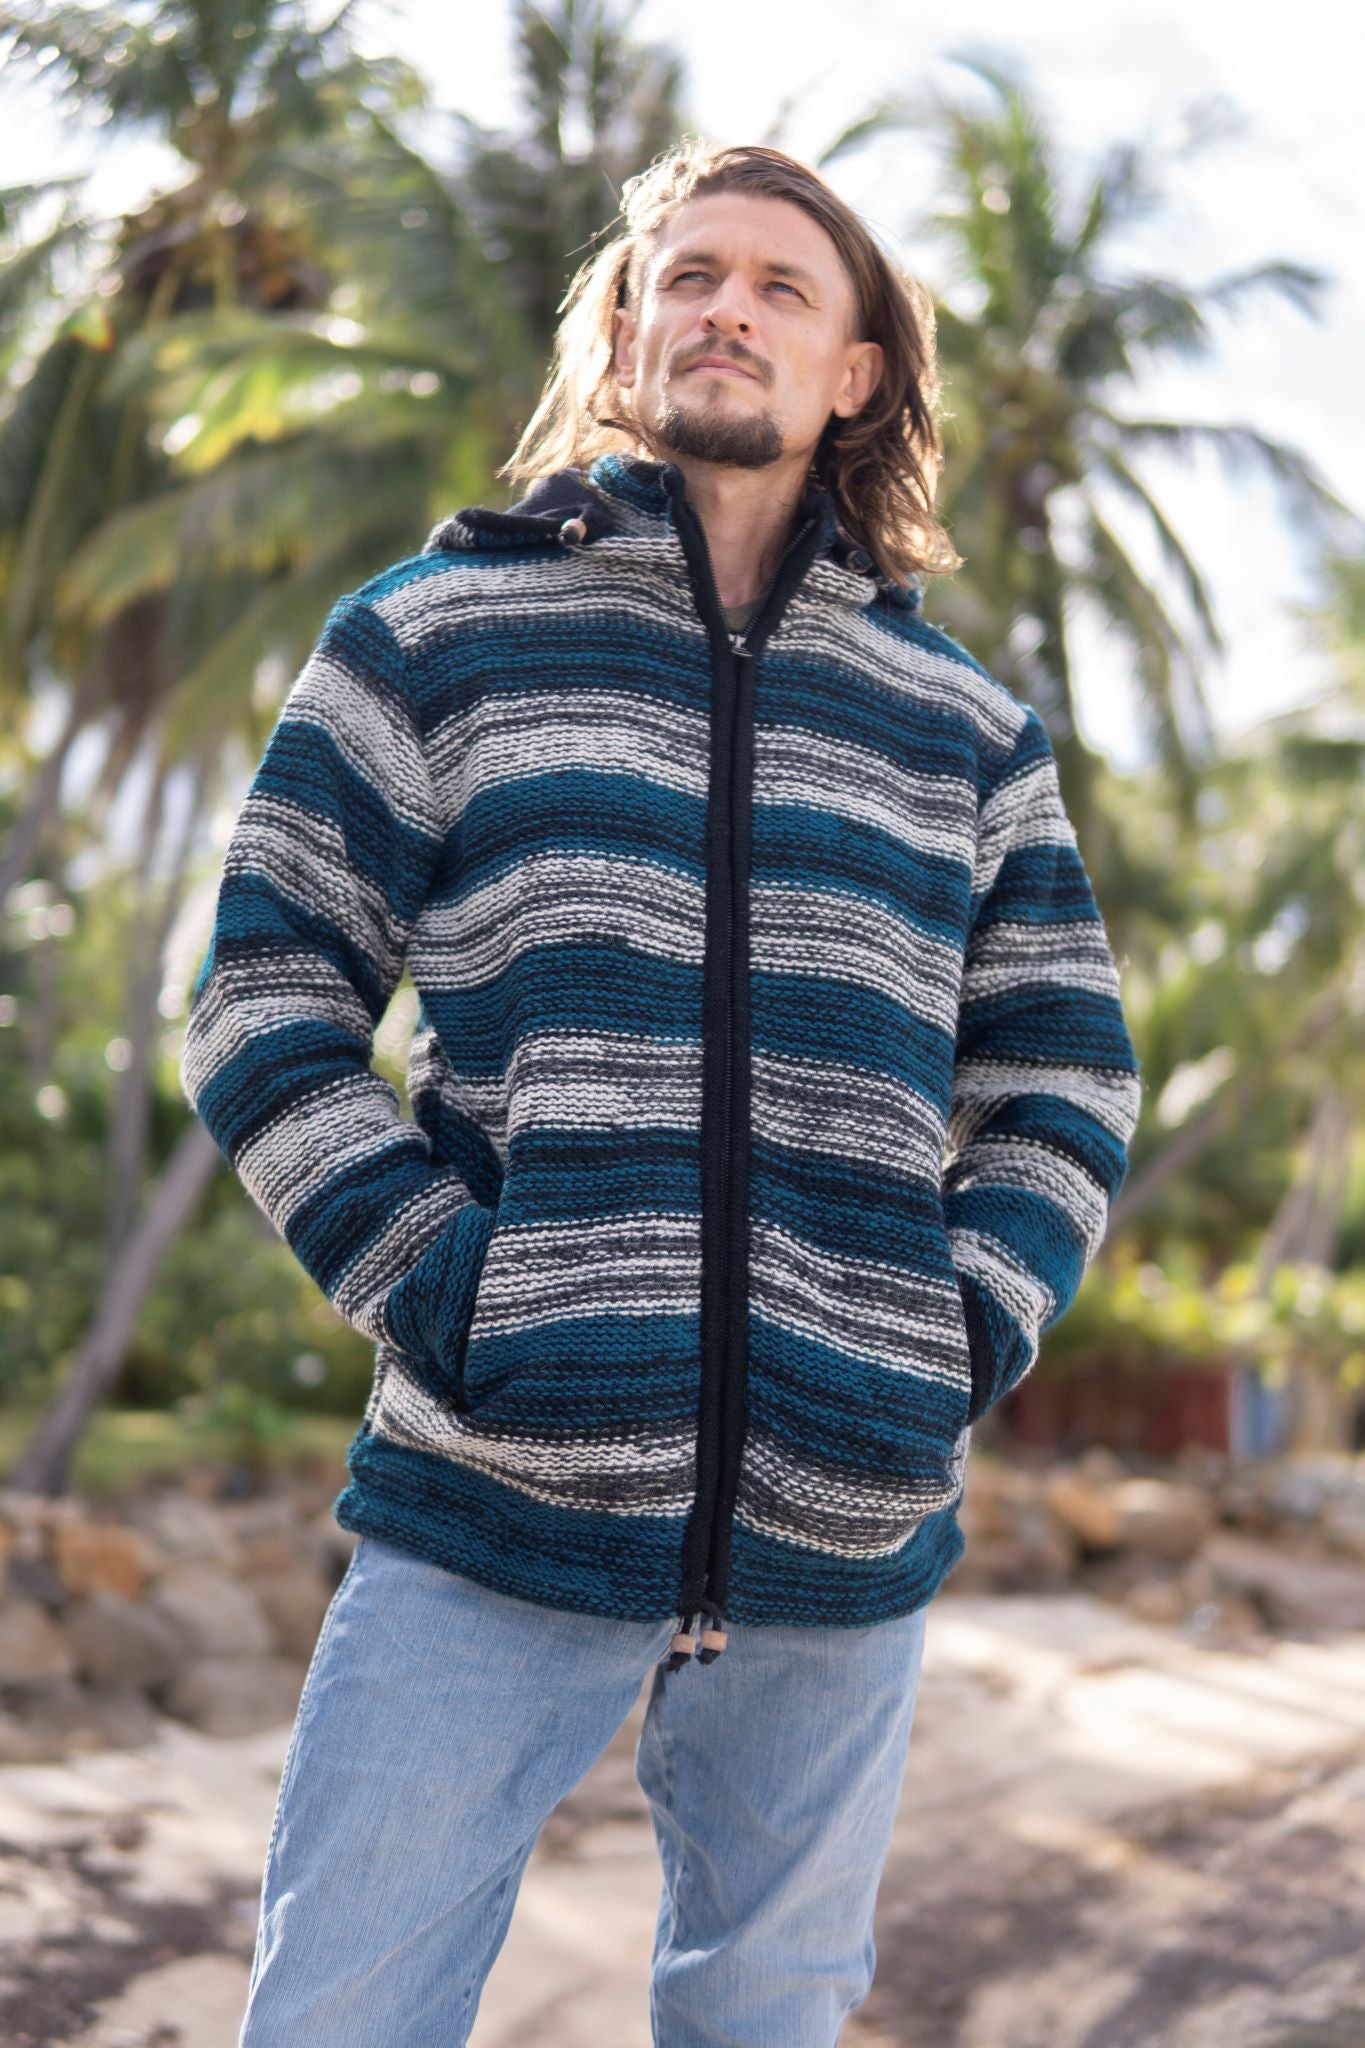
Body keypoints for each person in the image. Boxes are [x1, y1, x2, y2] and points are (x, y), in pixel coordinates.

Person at [181, 136, 1142, 2048]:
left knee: (766, 2022)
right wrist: (456, 1292)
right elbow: (265, 999)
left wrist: (949, 1335)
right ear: (625, 335)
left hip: (840, 1524)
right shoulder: (436, 638)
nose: (727, 309)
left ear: (852, 372)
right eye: (688, 276)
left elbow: (1063, 1069)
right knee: (339, 2014)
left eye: (782, 287)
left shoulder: (963, 731)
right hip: (492, 1495)